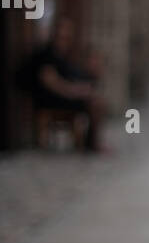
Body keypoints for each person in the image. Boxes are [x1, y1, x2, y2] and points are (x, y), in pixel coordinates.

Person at [24, 14, 108, 152]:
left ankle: (90, 141)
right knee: (95, 103)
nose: (66, 35)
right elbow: (52, 82)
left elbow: (70, 75)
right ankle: (92, 144)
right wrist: (75, 92)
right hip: (51, 99)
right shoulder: (47, 54)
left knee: (97, 101)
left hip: (65, 96)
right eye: (64, 30)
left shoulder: (64, 53)